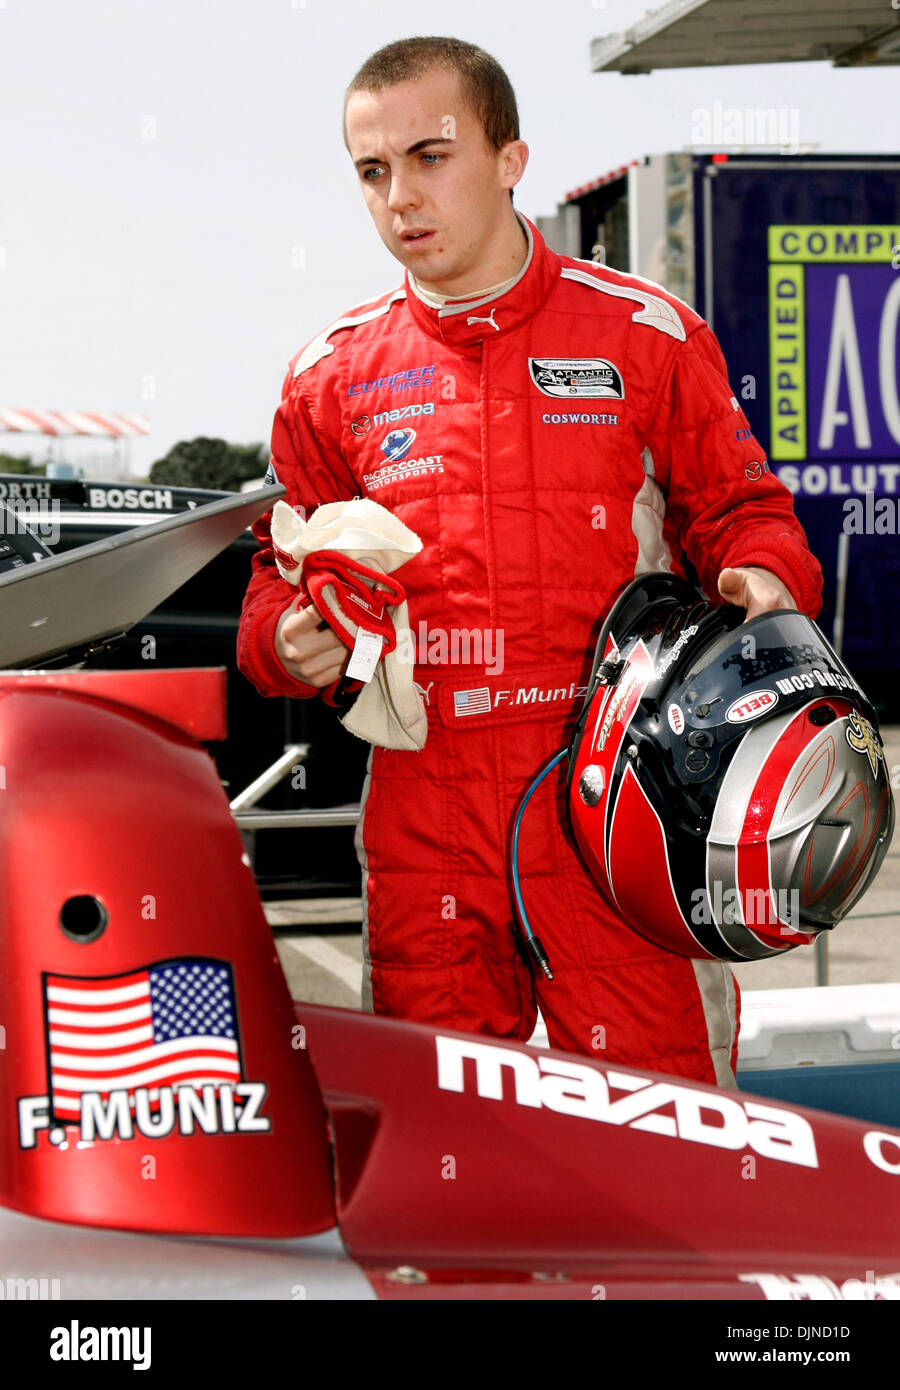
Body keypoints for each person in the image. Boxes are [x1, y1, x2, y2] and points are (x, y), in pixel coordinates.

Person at [237, 36, 823, 1087]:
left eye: (430, 157)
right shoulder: (330, 377)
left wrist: (765, 583)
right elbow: (273, 583)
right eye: (372, 171)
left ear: (511, 159)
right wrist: (288, 638)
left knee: (669, 1118)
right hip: (426, 808)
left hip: (614, 799)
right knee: (444, 1144)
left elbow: (745, 512)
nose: (400, 198)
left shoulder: (646, 337)